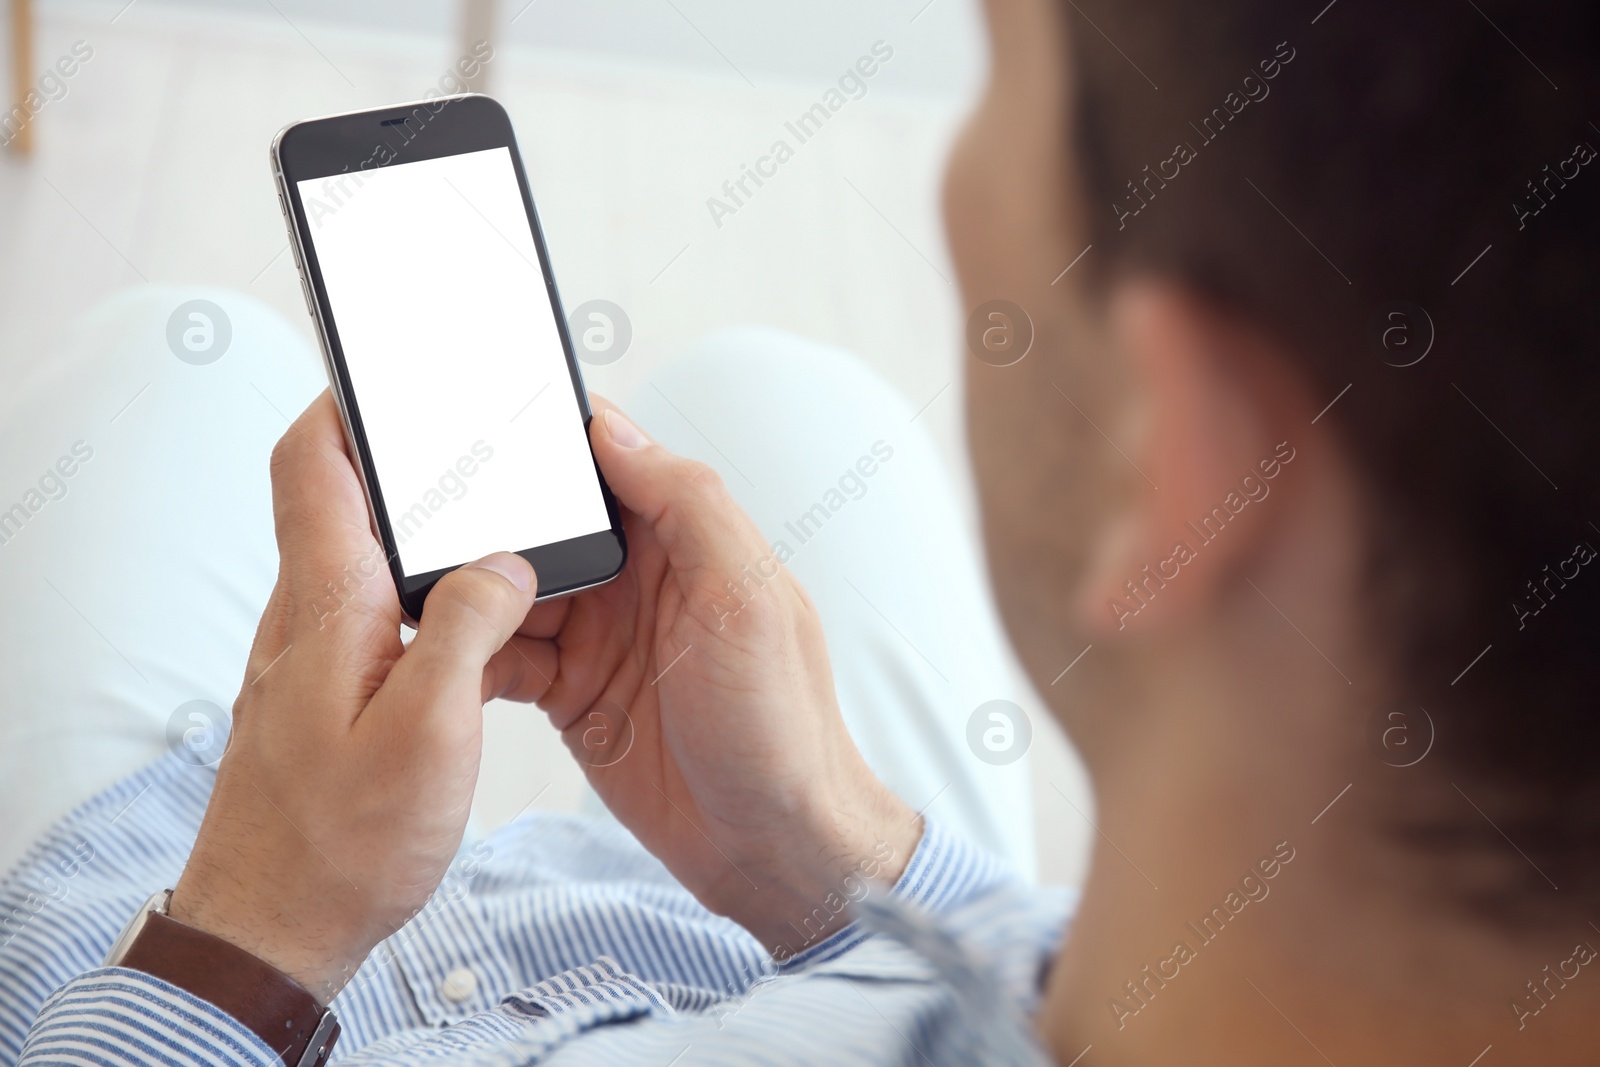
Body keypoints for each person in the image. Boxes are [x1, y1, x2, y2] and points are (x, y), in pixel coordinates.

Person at [5, 0, 1599, 1062]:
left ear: (1174, 457)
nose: (960, 190)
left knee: (164, 356)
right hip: (778, 930)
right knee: (773, 396)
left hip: (138, 950)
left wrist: (247, 937)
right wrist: (833, 855)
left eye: (1002, 79)